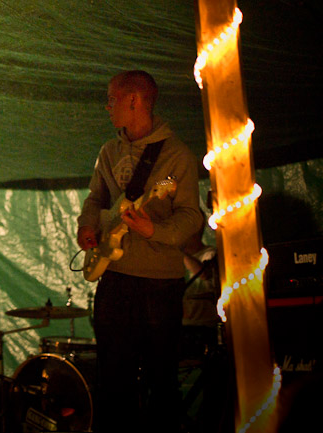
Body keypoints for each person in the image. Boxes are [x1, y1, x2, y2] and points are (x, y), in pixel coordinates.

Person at [76, 70, 202, 433]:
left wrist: (153, 231)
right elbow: (96, 198)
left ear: (134, 100)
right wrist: (87, 225)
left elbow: (192, 216)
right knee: (113, 378)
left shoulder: (177, 155)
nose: (107, 107)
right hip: (114, 278)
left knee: (161, 380)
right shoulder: (108, 151)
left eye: (112, 99)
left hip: (158, 284)